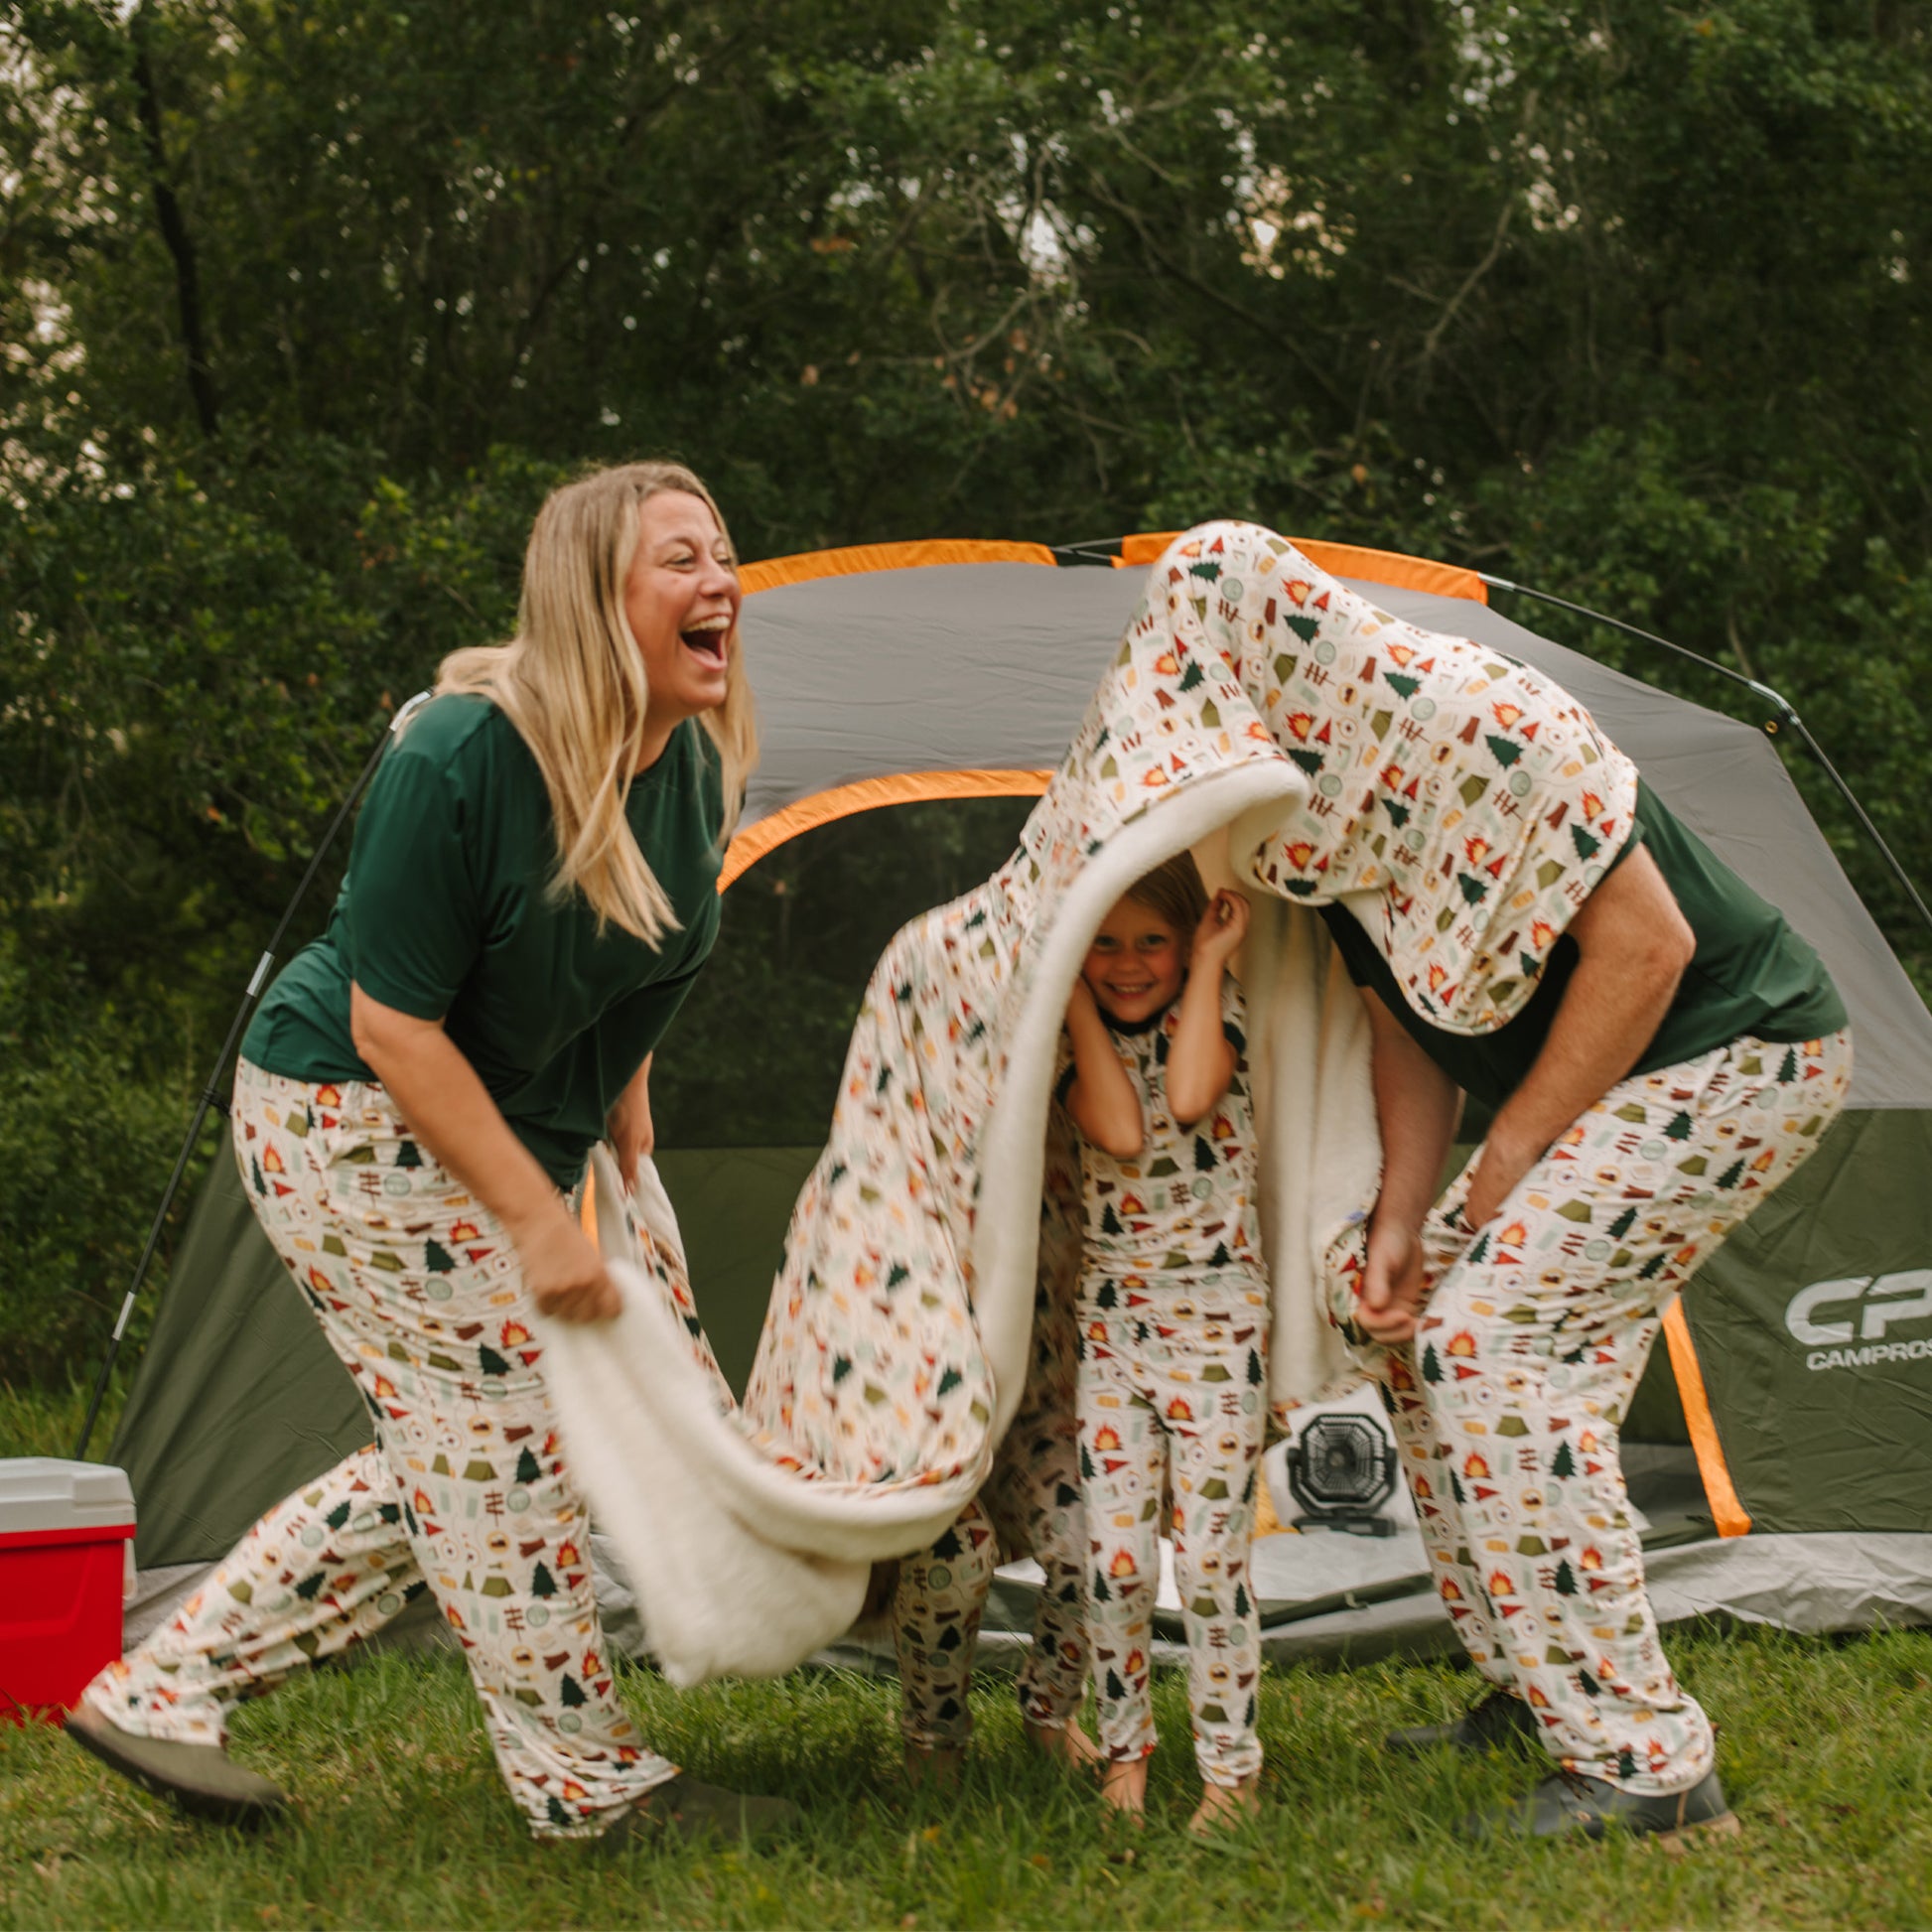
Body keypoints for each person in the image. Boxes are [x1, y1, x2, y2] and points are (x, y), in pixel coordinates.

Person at [67, 461, 788, 1849]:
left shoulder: (689, 768)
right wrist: (535, 1218)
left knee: (464, 1443)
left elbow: (631, 987)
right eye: (681, 561)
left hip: (498, 1117)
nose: (721, 585)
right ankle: (582, 1783)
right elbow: (392, 1024)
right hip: (340, 1109)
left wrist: (628, 1181)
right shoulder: (458, 754)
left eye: (724, 554)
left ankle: (167, 1685)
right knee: (506, 1429)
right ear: (595, 598)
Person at [1325, 777, 1851, 1844]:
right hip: (1591, 1108)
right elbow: (1407, 1036)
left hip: (1731, 1051)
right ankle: (1539, 1682)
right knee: (1414, 1327)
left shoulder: (1481, 765)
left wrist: (1512, 1147)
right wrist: (1399, 1220)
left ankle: (1643, 1763)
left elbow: (1649, 946)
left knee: (1488, 1347)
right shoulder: (1315, 850)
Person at [1059, 854, 1269, 1836]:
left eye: (1151, 941)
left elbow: (1185, 1100)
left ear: (1184, 942)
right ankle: (1124, 1755)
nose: (1127, 962)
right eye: (1103, 942)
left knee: (1213, 1558)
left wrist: (1215, 958)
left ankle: (1230, 1771)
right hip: (1113, 1325)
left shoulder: (1215, 1017)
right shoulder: (1073, 1048)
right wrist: (1069, 999)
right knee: (1114, 1561)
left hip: (1218, 1319)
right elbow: (1115, 1127)